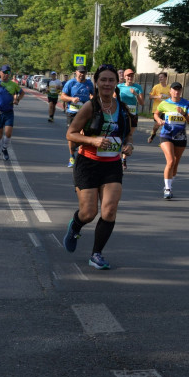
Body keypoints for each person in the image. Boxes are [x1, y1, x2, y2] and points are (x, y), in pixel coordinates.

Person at [62, 65, 135, 270]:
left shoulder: (122, 109)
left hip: (111, 164)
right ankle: (76, 225)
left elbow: (128, 135)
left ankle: (96, 254)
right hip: (88, 163)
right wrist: (93, 141)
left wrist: (129, 146)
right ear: (96, 82)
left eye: (111, 80)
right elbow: (71, 134)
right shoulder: (90, 107)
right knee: (89, 213)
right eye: (103, 80)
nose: (107, 84)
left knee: (110, 210)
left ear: (115, 83)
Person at [154, 81, 189, 199]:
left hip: (180, 136)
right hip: (166, 134)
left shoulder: (186, 104)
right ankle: (167, 188)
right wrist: (159, 120)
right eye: (174, 90)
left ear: (181, 91)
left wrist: (184, 114)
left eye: (178, 90)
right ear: (170, 91)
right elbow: (156, 114)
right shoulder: (164, 103)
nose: (176, 92)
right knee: (170, 161)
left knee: (175, 163)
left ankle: (169, 183)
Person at [0, 65, 24, 161]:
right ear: (0, 73)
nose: (6, 74)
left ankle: (4, 148)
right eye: (4, 72)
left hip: (9, 112)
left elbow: (22, 92)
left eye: (8, 73)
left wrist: (17, 99)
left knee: (8, 133)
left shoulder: (13, 84)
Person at [60, 66, 95, 167]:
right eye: (80, 72)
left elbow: (93, 95)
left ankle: (81, 156)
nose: (82, 74)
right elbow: (62, 96)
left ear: (86, 73)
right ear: (76, 72)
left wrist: (92, 98)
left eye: (84, 72)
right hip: (72, 112)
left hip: (85, 113)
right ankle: (72, 156)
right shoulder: (70, 83)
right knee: (71, 136)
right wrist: (71, 99)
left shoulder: (89, 83)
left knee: (83, 135)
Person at [116, 68, 144, 170]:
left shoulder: (137, 87)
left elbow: (142, 103)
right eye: (128, 76)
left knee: (129, 135)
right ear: (124, 77)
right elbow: (114, 98)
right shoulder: (119, 87)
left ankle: (124, 159)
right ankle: (117, 158)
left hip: (132, 115)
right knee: (119, 135)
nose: (130, 78)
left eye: (131, 76)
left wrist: (136, 94)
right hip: (121, 115)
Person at [146, 72, 171, 143]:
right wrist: (157, 96)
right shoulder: (156, 87)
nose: (160, 78)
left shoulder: (169, 88)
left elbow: (172, 97)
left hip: (166, 109)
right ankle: (153, 134)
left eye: (162, 77)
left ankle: (164, 141)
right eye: (159, 77)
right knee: (157, 125)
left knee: (166, 124)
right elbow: (150, 97)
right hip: (157, 109)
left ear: (166, 78)